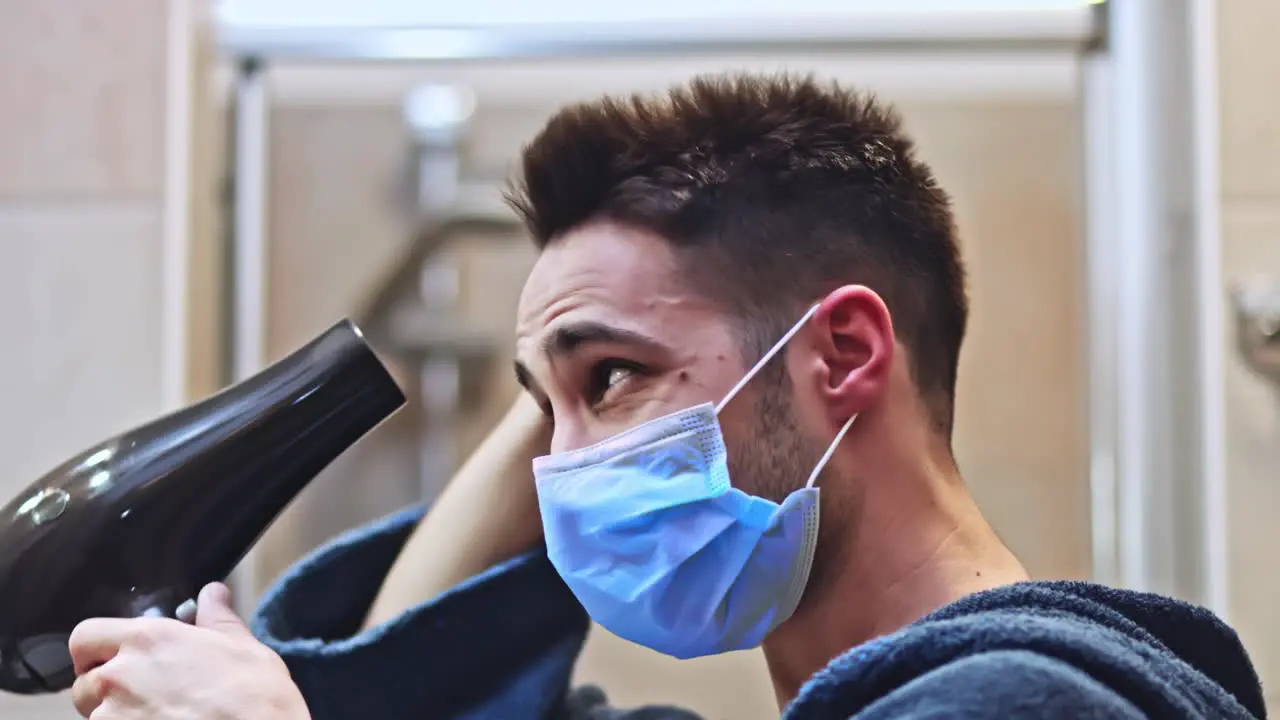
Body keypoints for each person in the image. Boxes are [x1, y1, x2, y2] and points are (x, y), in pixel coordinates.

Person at [66, 72, 1266, 720]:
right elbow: (391, 694)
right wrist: (561, 373)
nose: (565, 468)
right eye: (547, 411)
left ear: (842, 354)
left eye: (615, 381)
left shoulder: (1025, 704)